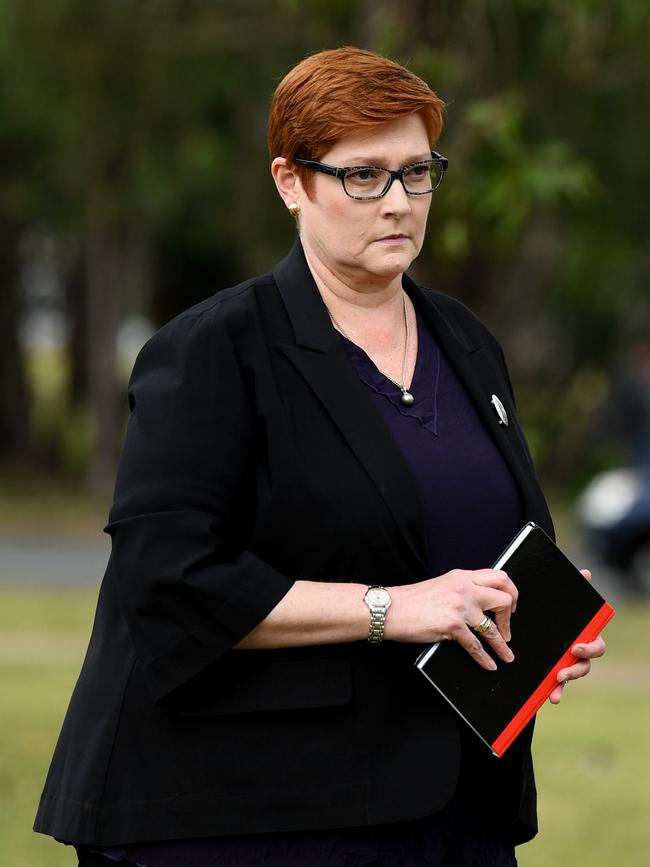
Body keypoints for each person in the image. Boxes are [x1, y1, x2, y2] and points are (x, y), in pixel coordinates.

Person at [34, 46, 606, 866]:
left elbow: (458, 539)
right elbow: (166, 580)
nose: (400, 202)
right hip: (242, 815)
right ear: (290, 182)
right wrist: (391, 607)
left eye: (417, 172)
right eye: (363, 176)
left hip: (449, 806)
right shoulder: (210, 350)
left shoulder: (468, 341)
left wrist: (538, 613)